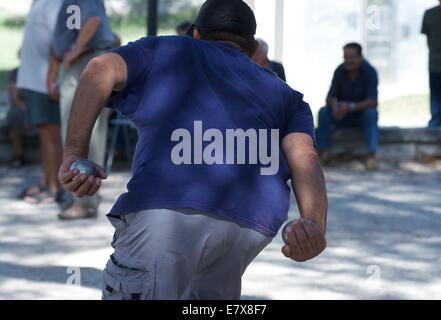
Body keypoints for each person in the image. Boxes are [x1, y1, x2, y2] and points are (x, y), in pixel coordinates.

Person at [59, 0, 328, 300]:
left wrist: (73, 153)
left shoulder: (167, 50)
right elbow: (305, 157)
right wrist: (314, 225)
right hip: (250, 224)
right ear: (253, 50)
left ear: (195, 34)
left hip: (166, 210)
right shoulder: (287, 96)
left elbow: (98, 69)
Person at [49, 0, 117, 220]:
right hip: (82, 60)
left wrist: (74, 51)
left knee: (81, 131)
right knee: (85, 131)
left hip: (82, 61)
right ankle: (82, 199)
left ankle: (84, 202)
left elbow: (93, 21)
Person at [16, 0, 64, 204]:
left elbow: (58, 41)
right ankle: (46, 181)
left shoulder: (55, 3)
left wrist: (52, 77)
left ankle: (55, 187)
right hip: (35, 79)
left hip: (46, 80)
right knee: (44, 133)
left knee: (52, 134)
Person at [316, 43, 379, 170]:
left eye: (352, 57)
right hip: (341, 115)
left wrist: (351, 107)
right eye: (346, 57)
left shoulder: (370, 72)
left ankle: (372, 155)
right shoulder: (339, 70)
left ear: (361, 57)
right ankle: (324, 153)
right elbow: (329, 96)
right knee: (323, 112)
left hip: (360, 115)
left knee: (371, 113)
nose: (348, 60)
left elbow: (372, 101)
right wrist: (334, 105)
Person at [421, 0, 441, 128]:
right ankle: (436, 123)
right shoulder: (429, 14)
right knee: (436, 97)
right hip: (436, 64)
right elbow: (428, 39)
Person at [6, 68, 27, 168]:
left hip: (38, 106)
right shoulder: (15, 73)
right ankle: (18, 155)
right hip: (22, 108)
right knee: (15, 115)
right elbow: (14, 98)